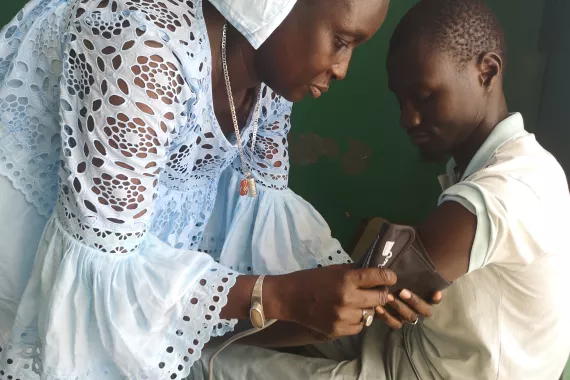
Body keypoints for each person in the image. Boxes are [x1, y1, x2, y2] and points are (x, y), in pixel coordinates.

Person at [0, 0, 444, 378]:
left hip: (121, 271)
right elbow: (101, 280)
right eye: (342, 41)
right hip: (38, 255)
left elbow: (264, 219)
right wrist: (281, 296)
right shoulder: (139, 51)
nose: (343, 69)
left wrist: (358, 289)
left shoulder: (270, 79)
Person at [188, 0, 570, 379]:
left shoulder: (505, 192)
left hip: (427, 371)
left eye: (424, 96)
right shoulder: (513, 162)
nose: (408, 117)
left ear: (486, 71)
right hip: (418, 344)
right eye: (401, 100)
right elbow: (372, 296)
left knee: (207, 364)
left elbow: (349, 305)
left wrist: (207, 340)